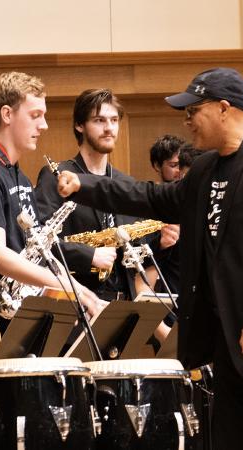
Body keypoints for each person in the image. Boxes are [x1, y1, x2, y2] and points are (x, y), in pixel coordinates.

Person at [57, 67, 243, 450]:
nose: (186, 120)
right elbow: (153, 198)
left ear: (222, 108)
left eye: (193, 110)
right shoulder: (204, 168)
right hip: (232, 346)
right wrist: (84, 185)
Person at [0, 71, 103, 332]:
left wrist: (79, 289)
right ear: (7, 115)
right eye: (35, 115)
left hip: (22, 318)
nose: (44, 125)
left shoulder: (21, 177)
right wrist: (66, 287)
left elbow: (40, 249)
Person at [34, 88, 142, 301]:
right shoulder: (56, 175)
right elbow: (39, 241)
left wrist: (162, 241)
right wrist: (89, 255)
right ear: (79, 125)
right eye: (99, 120)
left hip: (124, 302)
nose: (109, 128)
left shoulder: (126, 183)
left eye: (114, 120)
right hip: (77, 301)